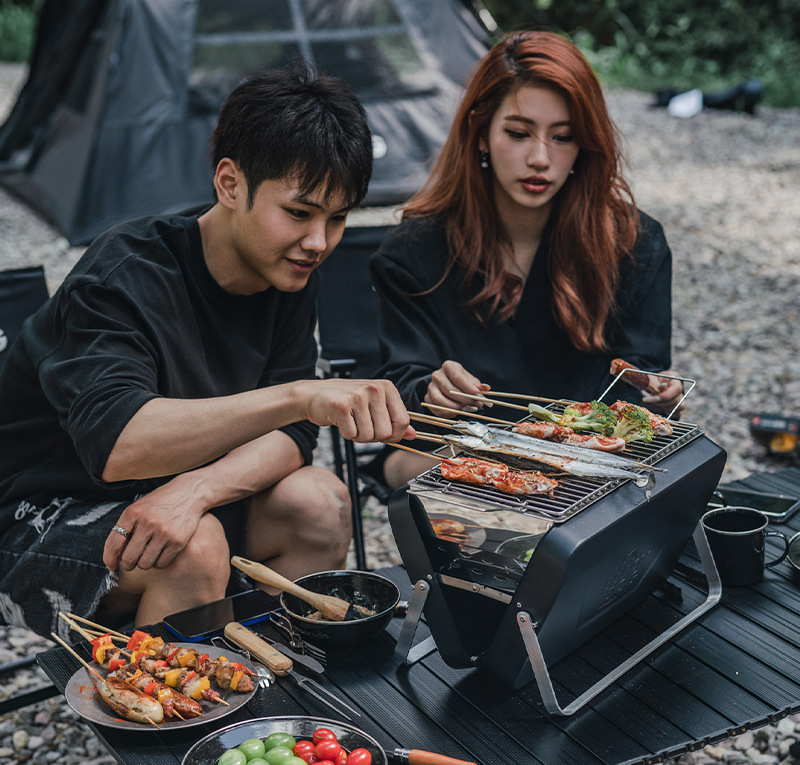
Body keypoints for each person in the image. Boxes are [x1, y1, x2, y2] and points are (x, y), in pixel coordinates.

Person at [0, 64, 413, 639]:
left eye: (337, 218)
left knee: (319, 502)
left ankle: (276, 687)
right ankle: (184, 720)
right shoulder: (124, 274)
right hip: (40, 515)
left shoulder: (289, 268)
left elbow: (293, 439)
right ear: (229, 184)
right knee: (193, 548)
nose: (319, 242)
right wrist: (298, 395)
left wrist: (197, 489)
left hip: (169, 492)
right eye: (299, 212)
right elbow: (117, 444)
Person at [369, 31, 683, 489]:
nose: (540, 158)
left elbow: (643, 380)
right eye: (518, 133)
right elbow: (403, 385)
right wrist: (434, 392)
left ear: (584, 146)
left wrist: (656, 391)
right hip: (464, 464)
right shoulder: (413, 250)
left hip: (595, 470)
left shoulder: (634, 241)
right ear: (480, 132)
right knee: (405, 467)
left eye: (563, 137)